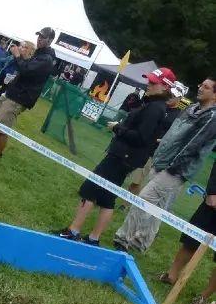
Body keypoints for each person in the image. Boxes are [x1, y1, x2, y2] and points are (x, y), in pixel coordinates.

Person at [53, 67, 175, 246]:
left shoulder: (155, 108)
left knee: (90, 189)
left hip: (122, 157)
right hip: (124, 156)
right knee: (107, 197)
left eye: (153, 83)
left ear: (165, 87)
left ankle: (73, 231)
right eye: (149, 81)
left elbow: (140, 137)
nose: (148, 85)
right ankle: (93, 238)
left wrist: (117, 127)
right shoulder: (153, 105)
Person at [114, 74, 216, 254]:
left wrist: (173, 168)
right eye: (201, 84)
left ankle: (123, 239)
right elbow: (173, 136)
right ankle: (141, 242)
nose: (200, 88)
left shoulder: (211, 118)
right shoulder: (191, 108)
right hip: (162, 162)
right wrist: (161, 158)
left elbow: (193, 146)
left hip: (175, 169)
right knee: (157, 207)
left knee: (144, 200)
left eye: (206, 87)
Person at [0, 27, 56, 164]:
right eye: (38, 36)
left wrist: (17, 56)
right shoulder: (38, 55)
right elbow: (24, 65)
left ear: (50, 40)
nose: (39, 39)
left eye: (43, 37)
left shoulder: (46, 59)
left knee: (2, 128)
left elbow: (26, 70)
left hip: (19, 97)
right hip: (10, 92)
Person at [157, 157, 216, 295]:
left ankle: (203, 297)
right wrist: (212, 192)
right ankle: (171, 275)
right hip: (212, 204)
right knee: (191, 239)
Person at [123, 82, 186, 203]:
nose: (170, 97)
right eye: (170, 94)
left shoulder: (178, 116)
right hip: (140, 146)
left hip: (154, 152)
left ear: (180, 98)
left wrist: (154, 139)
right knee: (127, 173)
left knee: (137, 180)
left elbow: (173, 138)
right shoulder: (158, 106)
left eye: (174, 95)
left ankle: (126, 204)